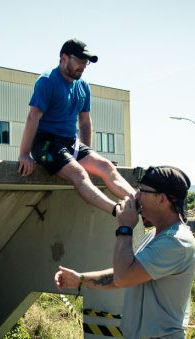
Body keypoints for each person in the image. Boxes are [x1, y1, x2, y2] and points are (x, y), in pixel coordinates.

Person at [55, 165, 195, 339]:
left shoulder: (176, 242)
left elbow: (124, 273)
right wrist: (80, 279)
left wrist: (124, 227)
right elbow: (126, 276)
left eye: (143, 192)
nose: (136, 197)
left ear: (163, 199)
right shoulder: (157, 236)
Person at [18, 38, 136, 216]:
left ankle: (143, 205)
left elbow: (85, 122)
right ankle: (118, 212)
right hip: (46, 143)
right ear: (64, 58)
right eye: (80, 61)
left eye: (86, 62)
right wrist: (24, 154)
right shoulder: (47, 81)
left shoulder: (83, 86)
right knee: (79, 173)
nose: (83, 66)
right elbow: (33, 116)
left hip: (70, 142)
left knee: (106, 167)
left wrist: (89, 153)